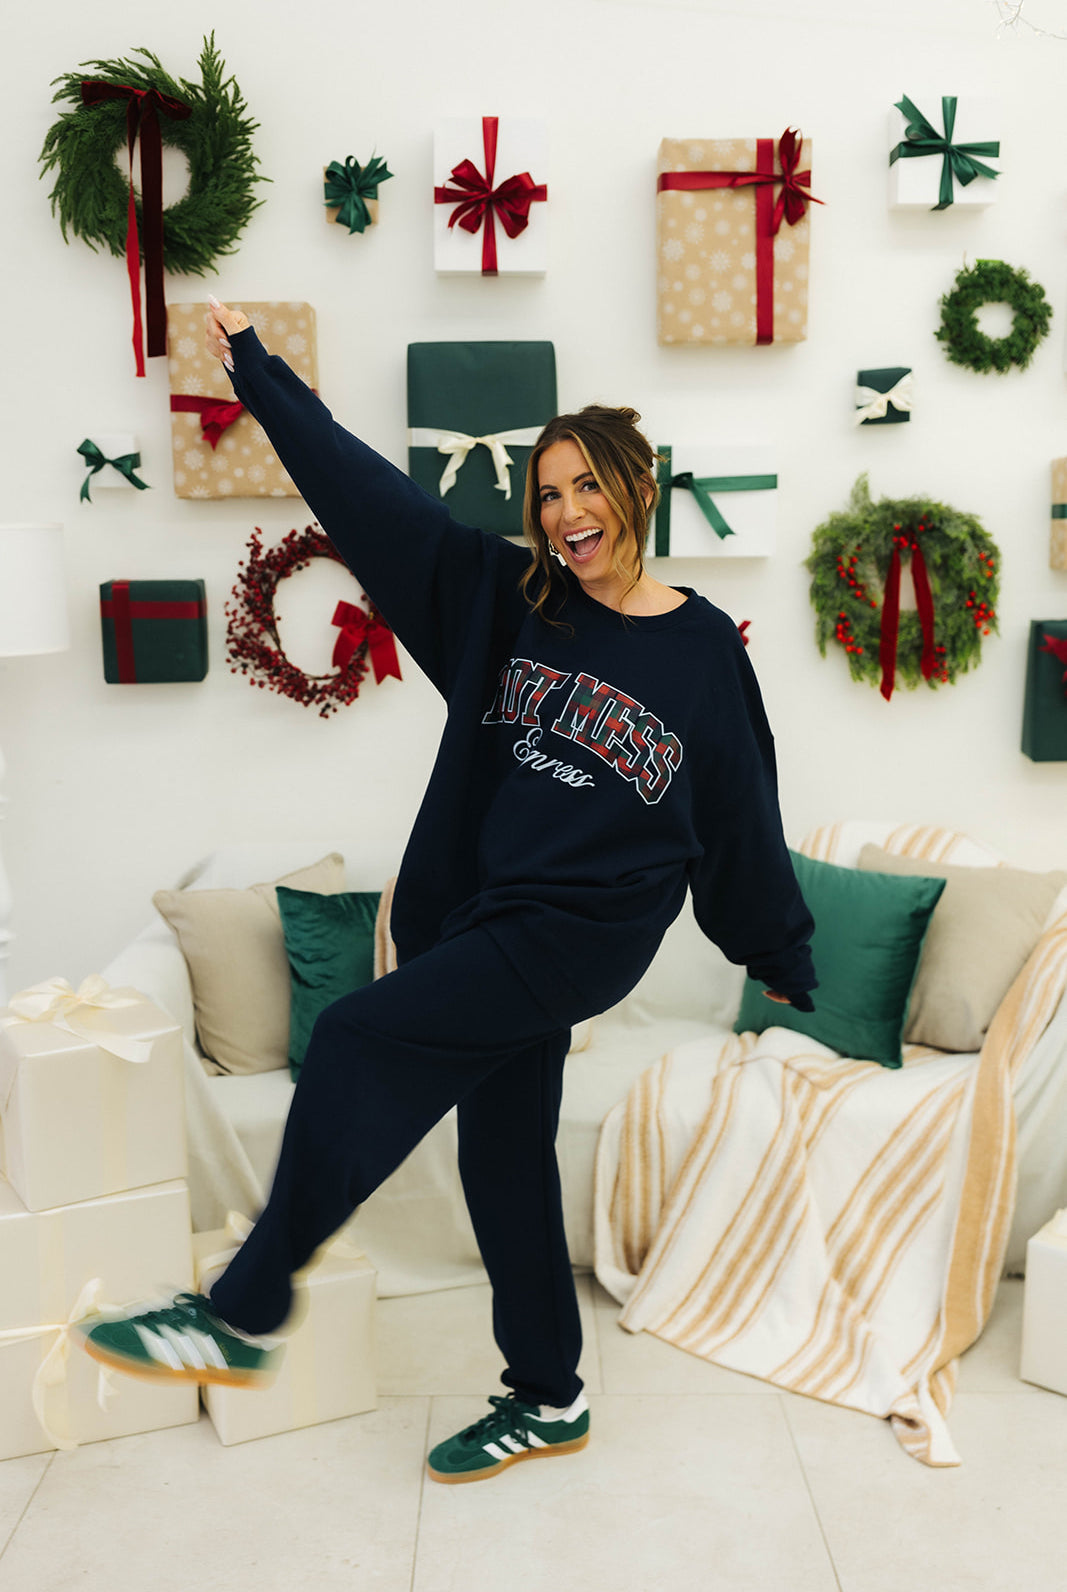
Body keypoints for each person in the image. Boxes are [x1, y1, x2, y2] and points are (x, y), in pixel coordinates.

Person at [79, 299, 816, 1484]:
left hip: (588, 931)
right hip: (488, 914)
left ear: (636, 490)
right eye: (546, 492)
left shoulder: (699, 652)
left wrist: (779, 948)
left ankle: (241, 1307)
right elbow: (372, 499)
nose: (565, 510)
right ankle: (548, 1393)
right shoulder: (509, 599)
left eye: (586, 486)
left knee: (364, 1032)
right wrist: (259, 375)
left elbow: (739, 811)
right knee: (502, 1155)